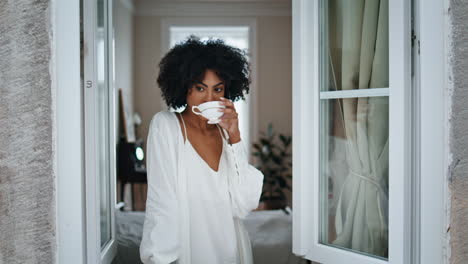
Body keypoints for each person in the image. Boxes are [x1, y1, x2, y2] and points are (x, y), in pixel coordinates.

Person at [139, 35, 264, 264]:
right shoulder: (166, 126)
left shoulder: (226, 133)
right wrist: (160, 258)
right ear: (184, 87)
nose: (209, 98)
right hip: (191, 247)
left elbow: (245, 203)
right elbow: (161, 200)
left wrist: (235, 136)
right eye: (200, 88)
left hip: (231, 246)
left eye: (218, 89)